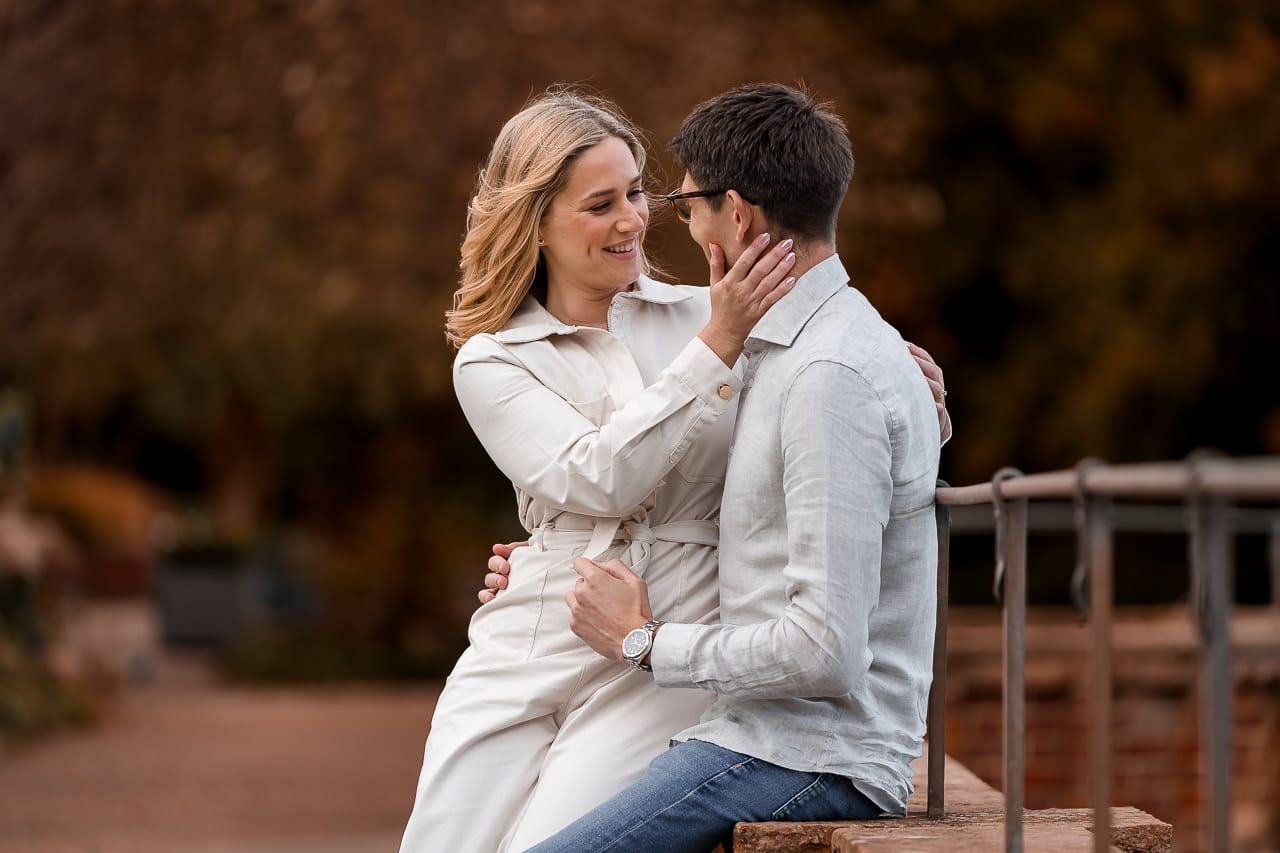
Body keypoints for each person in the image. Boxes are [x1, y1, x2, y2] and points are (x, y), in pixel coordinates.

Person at [402, 88, 948, 853]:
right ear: (536, 222)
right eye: (600, 204)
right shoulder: (493, 359)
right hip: (535, 632)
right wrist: (547, 551)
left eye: (635, 193)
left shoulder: (720, 310)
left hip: (665, 649)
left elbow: (840, 373)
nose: (633, 219)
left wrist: (921, 390)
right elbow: (594, 479)